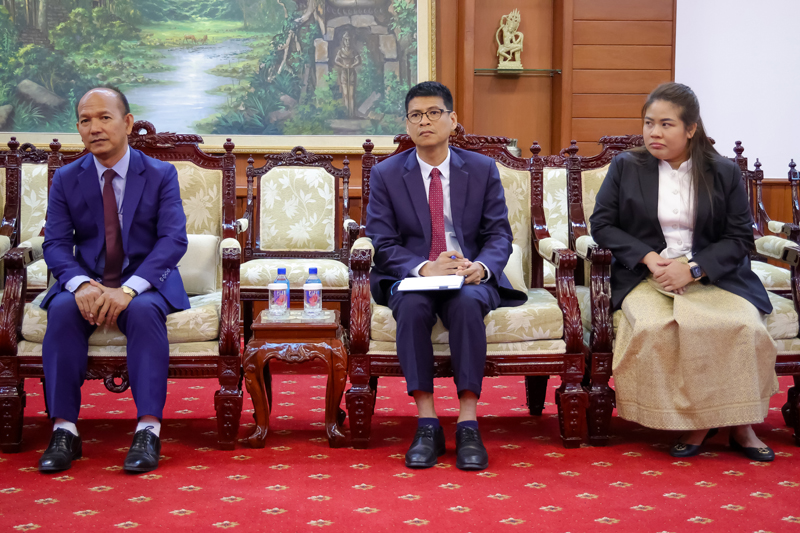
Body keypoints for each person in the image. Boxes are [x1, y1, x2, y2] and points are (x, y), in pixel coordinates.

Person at [590, 82, 778, 462]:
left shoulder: (722, 171)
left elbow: (739, 237)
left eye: (666, 124)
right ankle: (690, 420)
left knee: (745, 327)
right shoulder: (627, 166)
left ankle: (740, 425)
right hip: (648, 275)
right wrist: (647, 257)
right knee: (656, 328)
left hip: (715, 276)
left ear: (691, 129)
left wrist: (693, 269)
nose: (654, 133)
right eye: (649, 123)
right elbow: (602, 224)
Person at [366, 81, 526, 470]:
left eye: (434, 113)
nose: (425, 122)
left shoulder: (481, 169)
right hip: (414, 276)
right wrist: (424, 267)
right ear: (407, 124)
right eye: (416, 115)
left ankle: (468, 422)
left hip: (469, 275)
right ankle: (427, 423)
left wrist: (481, 267)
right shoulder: (386, 174)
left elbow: (498, 234)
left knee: (468, 304)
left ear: (453, 120)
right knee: (412, 306)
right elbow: (382, 242)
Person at [37, 86, 189, 473]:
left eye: (105, 118)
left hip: (144, 283)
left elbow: (173, 240)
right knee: (63, 310)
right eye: (85, 121)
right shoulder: (66, 178)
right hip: (88, 281)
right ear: (78, 128)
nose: (95, 128)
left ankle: (148, 429)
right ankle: (64, 430)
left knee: (143, 312)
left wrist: (129, 289)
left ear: (127, 123)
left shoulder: (159, 174)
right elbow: (55, 243)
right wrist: (79, 284)